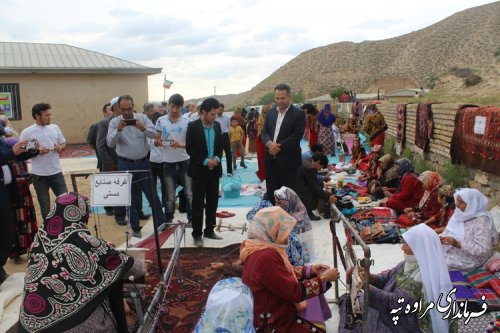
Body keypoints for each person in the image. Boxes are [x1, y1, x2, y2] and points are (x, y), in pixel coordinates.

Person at [18, 193, 135, 333]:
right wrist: (142, 265)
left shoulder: (39, 240)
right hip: (76, 326)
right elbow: (125, 264)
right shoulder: (84, 240)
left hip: (31, 325)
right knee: (103, 292)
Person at [339, 224, 455, 333]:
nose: (402, 248)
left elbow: (394, 304)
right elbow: (387, 277)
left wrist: (367, 286)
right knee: (349, 300)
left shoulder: (421, 277)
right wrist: (371, 278)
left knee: (353, 310)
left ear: (418, 248)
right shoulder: (411, 263)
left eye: (406, 244)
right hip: (392, 308)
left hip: (402, 324)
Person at [241, 206, 339, 333]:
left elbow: (280, 273)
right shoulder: (266, 256)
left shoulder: (256, 247)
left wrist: (310, 270)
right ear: (272, 231)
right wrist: (323, 278)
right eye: (283, 231)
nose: (287, 237)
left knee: (308, 281)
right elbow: (294, 292)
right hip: (272, 323)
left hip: (268, 311)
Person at [107, 95, 167, 238]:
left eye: (129, 109)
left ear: (134, 106)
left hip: (143, 162)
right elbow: (110, 143)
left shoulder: (143, 118)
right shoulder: (114, 123)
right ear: (118, 108)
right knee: (130, 198)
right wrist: (119, 131)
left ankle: (161, 224)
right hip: (125, 163)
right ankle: (135, 228)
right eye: (123, 109)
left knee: (152, 195)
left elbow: (155, 135)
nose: (127, 112)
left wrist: (143, 128)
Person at [0, 133, 39, 285]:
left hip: (6, 192)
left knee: (7, 232)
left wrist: (30, 149)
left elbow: (11, 157)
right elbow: (7, 155)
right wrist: (11, 153)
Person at [186, 97, 224, 247]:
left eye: (216, 114)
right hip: (199, 171)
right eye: (212, 114)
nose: (215, 117)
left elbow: (220, 147)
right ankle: (197, 234)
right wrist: (204, 161)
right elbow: (190, 149)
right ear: (203, 112)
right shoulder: (193, 126)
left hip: (214, 170)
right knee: (197, 204)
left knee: (213, 202)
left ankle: (210, 230)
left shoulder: (217, 126)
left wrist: (216, 159)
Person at [19, 103, 68, 220]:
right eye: (46, 115)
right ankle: (49, 230)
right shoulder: (28, 132)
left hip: (56, 172)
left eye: (50, 114)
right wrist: (37, 151)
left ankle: (67, 225)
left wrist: (60, 147)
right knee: (45, 205)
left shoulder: (54, 128)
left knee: (65, 201)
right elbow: (22, 150)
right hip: (39, 176)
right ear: (37, 116)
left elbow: (63, 143)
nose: (50, 117)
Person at [261, 83, 306, 204]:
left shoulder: (298, 113)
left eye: (282, 98)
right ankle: (275, 222)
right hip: (271, 162)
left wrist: (277, 147)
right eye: (277, 98)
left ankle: (288, 222)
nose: (279, 101)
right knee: (272, 194)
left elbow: (297, 136)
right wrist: (269, 143)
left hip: (288, 163)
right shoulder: (271, 112)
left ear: (289, 97)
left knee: (288, 197)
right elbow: (264, 132)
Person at [155, 93, 192, 224]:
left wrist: (180, 145)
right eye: (172, 106)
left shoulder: (187, 122)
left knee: (189, 193)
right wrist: (158, 142)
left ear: (182, 107)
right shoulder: (161, 121)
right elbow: (157, 139)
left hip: (185, 162)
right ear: (168, 105)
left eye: (177, 107)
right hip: (168, 163)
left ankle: (191, 219)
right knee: (169, 195)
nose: (174, 110)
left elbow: (192, 144)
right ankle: (168, 219)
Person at [440, 188, 498, 271]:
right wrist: (443, 238)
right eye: (457, 201)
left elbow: (483, 250)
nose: (457, 205)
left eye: (462, 202)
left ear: (472, 204)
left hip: (472, 258)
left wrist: (458, 244)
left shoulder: (481, 221)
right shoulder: (460, 213)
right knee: (433, 252)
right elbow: (449, 231)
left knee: (441, 263)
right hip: (455, 248)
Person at [96, 97, 127, 222]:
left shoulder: (129, 121)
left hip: (126, 160)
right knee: (115, 189)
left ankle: (137, 211)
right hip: (113, 162)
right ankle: (119, 216)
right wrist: (110, 163)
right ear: (116, 107)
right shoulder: (105, 123)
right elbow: (100, 146)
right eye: (121, 107)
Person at [274, 186, 316, 264]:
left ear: (289, 201)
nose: (276, 205)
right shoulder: (283, 214)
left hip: (301, 260)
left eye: (279, 202)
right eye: (276, 202)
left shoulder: (299, 217)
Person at [296, 153, 337, 220]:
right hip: (299, 189)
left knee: (320, 185)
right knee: (317, 190)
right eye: (321, 167)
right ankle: (308, 211)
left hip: (296, 184)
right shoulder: (310, 168)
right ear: (318, 162)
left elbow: (312, 179)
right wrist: (328, 198)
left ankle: (306, 210)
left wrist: (322, 184)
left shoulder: (306, 160)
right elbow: (315, 187)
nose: (319, 169)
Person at [87, 103, 112, 173]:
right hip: (104, 161)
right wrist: (101, 149)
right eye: (110, 110)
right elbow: (91, 143)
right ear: (104, 113)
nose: (113, 112)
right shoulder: (96, 126)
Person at [215, 103, 233, 174]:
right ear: (217, 110)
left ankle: (229, 171)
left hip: (225, 137)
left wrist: (229, 139)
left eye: (222, 110)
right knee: (219, 155)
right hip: (218, 137)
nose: (221, 111)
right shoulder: (214, 118)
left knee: (229, 154)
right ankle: (220, 172)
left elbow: (228, 128)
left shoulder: (227, 118)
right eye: (219, 110)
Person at [255, 104, 271, 181]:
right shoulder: (261, 119)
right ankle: (264, 175)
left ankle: (267, 174)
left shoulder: (270, 118)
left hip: (267, 141)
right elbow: (263, 133)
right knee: (263, 158)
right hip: (262, 141)